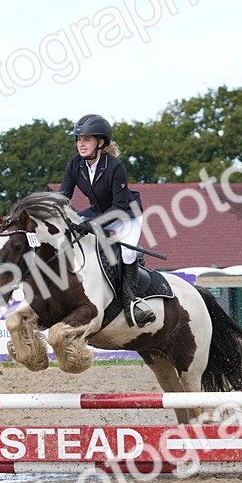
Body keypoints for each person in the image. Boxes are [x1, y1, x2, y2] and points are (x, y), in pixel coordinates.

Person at [58, 113, 155, 327]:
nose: (80, 144)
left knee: (128, 252)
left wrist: (91, 225)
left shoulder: (115, 166)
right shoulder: (74, 165)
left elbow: (119, 207)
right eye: (78, 139)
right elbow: (63, 197)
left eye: (86, 139)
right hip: (98, 211)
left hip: (125, 215)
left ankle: (132, 305)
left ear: (100, 142)